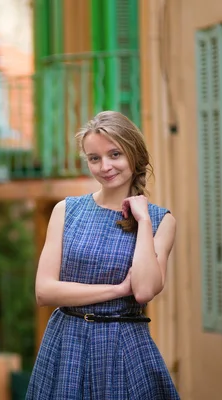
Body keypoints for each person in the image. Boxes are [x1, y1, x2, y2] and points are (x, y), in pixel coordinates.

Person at [25, 111, 179, 399]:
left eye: (115, 154)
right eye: (94, 158)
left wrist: (143, 221)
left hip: (124, 348)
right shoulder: (66, 211)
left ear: (134, 155)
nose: (105, 166)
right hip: (67, 344)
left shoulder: (161, 221)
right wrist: (118, 290)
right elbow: (44, 291)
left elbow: (145, 289)